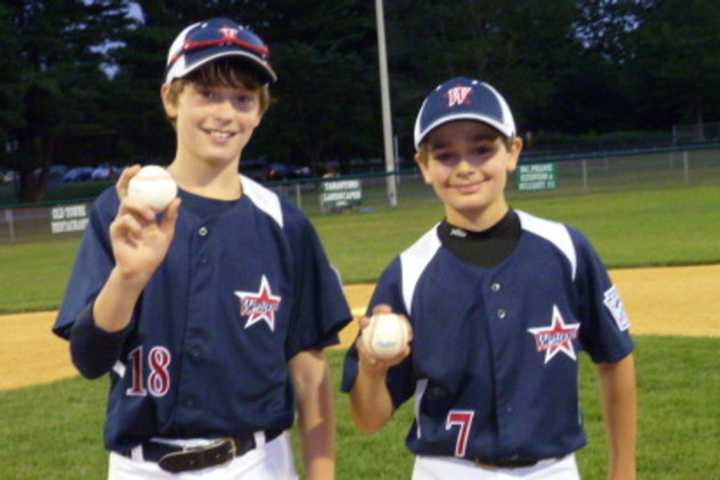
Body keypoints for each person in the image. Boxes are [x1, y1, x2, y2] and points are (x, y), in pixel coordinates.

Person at [53, 18, 351, 479]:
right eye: (208, 94)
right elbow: (89, 359)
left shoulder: (284, 224)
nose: (225, 113)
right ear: (171, 98)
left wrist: (321, 473)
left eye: (243, 99)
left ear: (259, 112)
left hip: (256, 464)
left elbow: (310, 374)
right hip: (140, 468)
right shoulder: (121, 210)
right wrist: (128, 279)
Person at [342, 77, 637, 480]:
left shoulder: (566, 250)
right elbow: (369, 419)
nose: (465, 168)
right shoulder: (409, 271)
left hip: (552, 470)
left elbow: (615, 359)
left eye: (482, 150)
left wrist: (624, 471)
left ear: (513, 152)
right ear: (424, 167)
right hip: (447, 469)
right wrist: (373, 370)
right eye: (445, 155)